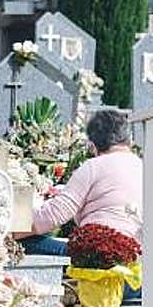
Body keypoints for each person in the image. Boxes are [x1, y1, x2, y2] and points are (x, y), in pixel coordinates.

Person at [20, 110, 143, 259]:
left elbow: (54, 214)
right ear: (128, 139)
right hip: (135, 253)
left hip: (97, 253)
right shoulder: (142, 166)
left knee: (23, 243)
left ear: (93, 144)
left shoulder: (94, 166)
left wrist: (10, 233)